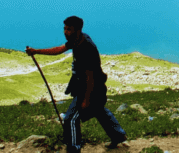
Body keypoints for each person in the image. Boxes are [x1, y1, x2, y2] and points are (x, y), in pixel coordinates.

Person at [26, 16, 127, 153]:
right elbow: (59, 49)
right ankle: (118, 135)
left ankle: (74, 149)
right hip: (87, 87)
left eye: (69, 29)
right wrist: (36, 51)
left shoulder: (86, 48)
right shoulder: (77, 39)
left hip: (91, 90)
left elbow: (90, 77)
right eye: (65, 29)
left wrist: (85, 100)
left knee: (71, 120)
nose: (65, 32)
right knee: (99, 110)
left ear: (78, 30)